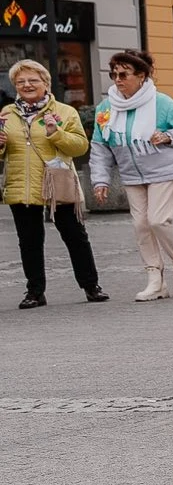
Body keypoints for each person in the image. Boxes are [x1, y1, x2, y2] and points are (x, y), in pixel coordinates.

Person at [88, 49, 173, 301]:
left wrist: (169, 137)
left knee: (158, 220)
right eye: (114, 74)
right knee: (141, 226)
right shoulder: (106, 108)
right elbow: (100, 146)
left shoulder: (162, 103)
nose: (117, 79)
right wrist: (101, 180)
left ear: (141, 76)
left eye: (124, 74)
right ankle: (155, 279)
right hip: (131, 175)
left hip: (163, 171)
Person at [2, 58, 105, 307]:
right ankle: (35, 292)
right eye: (21, 81)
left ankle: (91, 286)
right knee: (29, 241)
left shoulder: (64, 112)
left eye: (33, 80)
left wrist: (56, 133)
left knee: (74, 236)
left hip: (57, 183)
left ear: (46, 83)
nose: (27, 85)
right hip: (21, 184)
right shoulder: (6, 113)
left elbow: (80, 146)